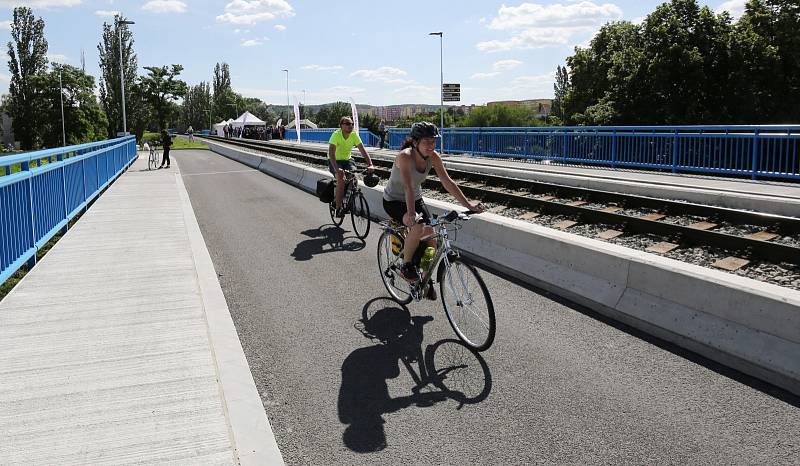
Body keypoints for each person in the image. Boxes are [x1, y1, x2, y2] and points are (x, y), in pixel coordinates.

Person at [382, 121, 484, 288]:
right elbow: (407, 187)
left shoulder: (434, 156)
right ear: (415, 143)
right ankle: (406, 266)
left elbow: (447, 182)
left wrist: (469, 205)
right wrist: (411, 214)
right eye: (426, 142)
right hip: (394, 200)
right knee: (417, 228)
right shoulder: (405, 157)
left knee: (431, 236)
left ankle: (423, 278)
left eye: (433, 141)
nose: (431, 145)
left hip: (415, 198)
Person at [328, 116, 375, 217]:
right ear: (341, 126)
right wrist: (337, 169)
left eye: (352, 124)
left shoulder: (354, 135)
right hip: (335, 160)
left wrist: (370, 164)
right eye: (348, 124)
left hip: (348, 160)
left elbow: (362, 150)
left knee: (354, 178)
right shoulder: (336, 135)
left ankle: (348, 200)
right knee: (341, 179)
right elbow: (331, 153)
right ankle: (338, 208)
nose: (351, 126)